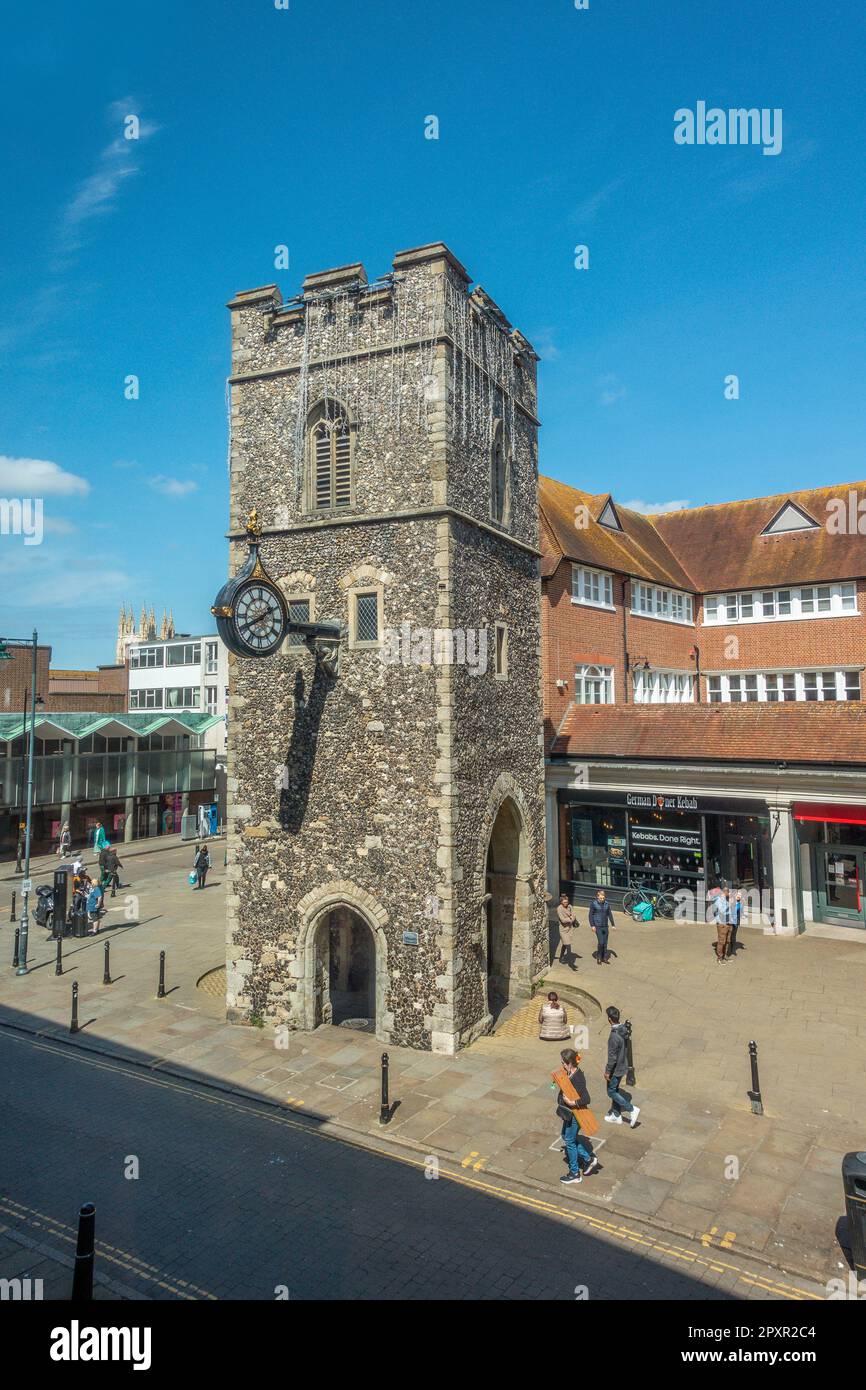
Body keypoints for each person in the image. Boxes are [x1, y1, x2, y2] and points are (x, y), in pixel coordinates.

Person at [556, 1047, 599, 1184]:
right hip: (568, 1114)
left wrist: (571, 1102)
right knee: (566, 1137)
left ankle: (575, 1173)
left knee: (569, 1141)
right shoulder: (570, 1073)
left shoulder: (578, 1077)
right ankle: (588, 1159)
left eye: (563, 1063)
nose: (562, 1065)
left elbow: (586, 1099)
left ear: (569, 1063)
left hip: (574, 1115)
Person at [604, 1006, 640, 1127]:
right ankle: (616, 1115)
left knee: (611, 1092)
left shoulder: (614, 1036)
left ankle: (631, 1109)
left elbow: (612, 1057)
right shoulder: (623, 1028)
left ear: (609, 1019)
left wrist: (608, 1071)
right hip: (623, 1064)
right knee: (615, 1089)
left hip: (616, 1069)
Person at [589, 887, 616, 965]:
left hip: (605, 925)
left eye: (603, 898)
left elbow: (609, 914)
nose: (602, 899)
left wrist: (613, 924)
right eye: (600, 898)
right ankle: (599, 957)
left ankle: (604, 958)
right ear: (597, 897)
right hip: (597, 925)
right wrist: (592, 925)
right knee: (601, 942)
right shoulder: (593, 904)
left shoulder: (607, 904)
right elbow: (590, 915)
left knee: (605, 943)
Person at [555, 893, 577, 970]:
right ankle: (571, 963)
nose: (566, 903)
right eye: (564, 902)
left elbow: (574, 915)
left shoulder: (570, 907)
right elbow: (563, 920)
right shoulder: (559, 909)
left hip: (569, 928)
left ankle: (561, 957)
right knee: (568, 944)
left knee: (565, 944)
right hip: (563, 929)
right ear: (561, 902)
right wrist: (570, 918)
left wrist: (571, 918)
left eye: (566, 902)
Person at [714, 882, 732, 964]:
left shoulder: (727, 899)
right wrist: (729, 905)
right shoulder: (718, 900)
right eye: (727, 892)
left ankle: (725, 956)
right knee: (721, 941)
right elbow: (722, 911)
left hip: (728, 923)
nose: (728, 893)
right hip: (722, 923)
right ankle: (719, 958)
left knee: (727, 941)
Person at [726, 883, 742, 959]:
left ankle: (733, 950)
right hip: (730, 920)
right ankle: (728, 951)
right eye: (738, 893)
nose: (739, 894)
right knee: (729, 935)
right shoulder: (730, 899)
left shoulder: (739, 900)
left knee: (734, 935)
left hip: (736, 920)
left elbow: (739, 910)